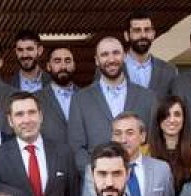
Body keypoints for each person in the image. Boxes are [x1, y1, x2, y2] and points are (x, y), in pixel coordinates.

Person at [67, 36, 159, 172]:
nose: (111, 59)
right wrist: (95, 174)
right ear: (97, 61)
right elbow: (76, 147)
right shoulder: (80, 99)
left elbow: (153, 141)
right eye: (104, 54)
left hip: (139, 179)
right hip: (98, 184)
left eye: (116, 53)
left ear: (124, 57)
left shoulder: (147, 97)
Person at [123, 10, 178, 95]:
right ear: (126, 36)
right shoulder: (110, 68)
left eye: (147, 30)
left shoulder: (169, 71)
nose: (143, 35)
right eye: (137, 30)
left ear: (153, 34)